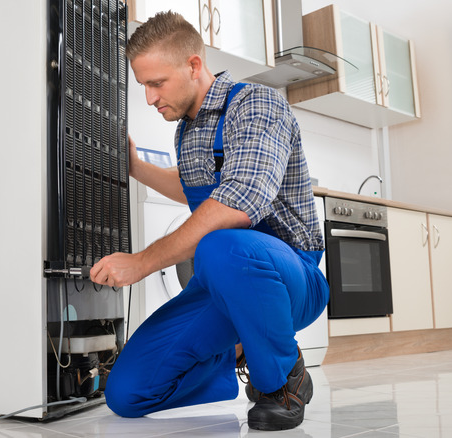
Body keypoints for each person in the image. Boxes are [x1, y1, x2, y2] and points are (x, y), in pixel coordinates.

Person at [88, 11, 329, 431]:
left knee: (219, 244)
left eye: (155, 83)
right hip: (221, 281)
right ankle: (239, 351)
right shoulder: (187, 129)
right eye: (143, 84)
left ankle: (282, 383)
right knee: (127, 394)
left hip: (290, 277)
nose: (148, 97)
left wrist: (141, 262)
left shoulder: (255, 103)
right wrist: (135, 166)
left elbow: (237, 204)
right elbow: (193, 190)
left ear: (194, 66)